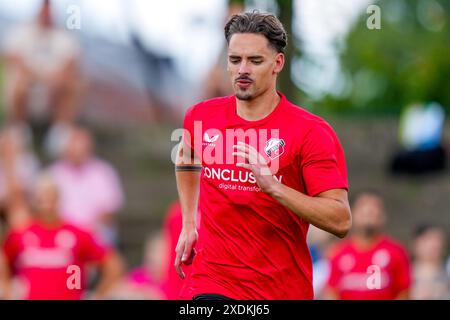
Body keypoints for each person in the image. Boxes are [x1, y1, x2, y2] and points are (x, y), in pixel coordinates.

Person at [175, 12, 351, 300]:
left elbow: (341, 220)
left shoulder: (310, 132)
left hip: (279, 289)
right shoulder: (201, 116)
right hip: (211, 282)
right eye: (235, 60)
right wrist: (189, 223)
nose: (243, 69)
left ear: (277, 63)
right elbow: (185, 159)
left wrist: (275, 188)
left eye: (255, 61)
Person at [1, 174, 124, 300]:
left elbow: (112, 263)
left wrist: (99, 295)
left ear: (58, 199)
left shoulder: (78, 234)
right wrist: (7, 288)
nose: (46, 204)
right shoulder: (21, 234)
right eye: (41, 199)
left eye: (50, 198)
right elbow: (4, 258)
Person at [2, 0, 82, 156]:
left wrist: (51, 81)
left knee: (71, 84)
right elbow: (13, 59)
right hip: (28, 92)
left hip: (53, 94)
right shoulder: (20, 33)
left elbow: (71, 65)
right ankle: (19, 131)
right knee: (19, 82)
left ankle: (59, 134)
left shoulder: (65, 38)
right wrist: (39, 78)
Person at [326, 192, 412, 300]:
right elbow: (331, 292)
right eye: (363, 206)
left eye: (374, 207)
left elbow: (404, 292)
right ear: (351, 214)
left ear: (383, 216)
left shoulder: (397, 251)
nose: (369, 210)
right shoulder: (338, 253)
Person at [48, 126, 124, 245]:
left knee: (103, 236)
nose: (79, 149)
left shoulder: (103, 172)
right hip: (62, 231)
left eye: (82, 145)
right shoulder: (54, 173)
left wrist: (89, 229)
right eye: (75, 145)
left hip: (95, 231)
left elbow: (110, 210)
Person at [411, 224, 450, 299]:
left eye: (438, 240)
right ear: (415, 243)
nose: (434, 245)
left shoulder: (448, 271)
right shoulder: (403, 273)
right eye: (428, 239)